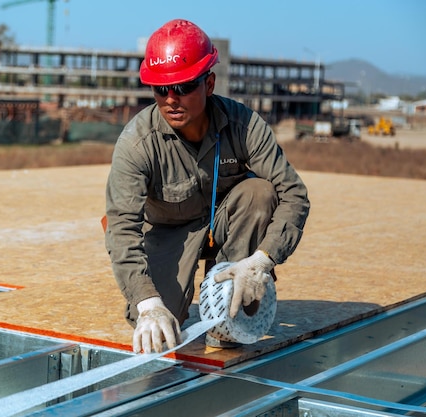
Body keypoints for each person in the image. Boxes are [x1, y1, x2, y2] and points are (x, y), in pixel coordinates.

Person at [104, 19, 310, 354]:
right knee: (161, 323)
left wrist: (261, 261)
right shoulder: (137, 143)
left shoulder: (243, 125)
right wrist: (147, 303)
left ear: (209, 83)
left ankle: (227, 304)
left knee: (260, 193)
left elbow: (294, 195)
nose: (171, 99)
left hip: (231, 228)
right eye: (160, 89)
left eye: (183, 87)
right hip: (172, 233)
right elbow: (121, 230)